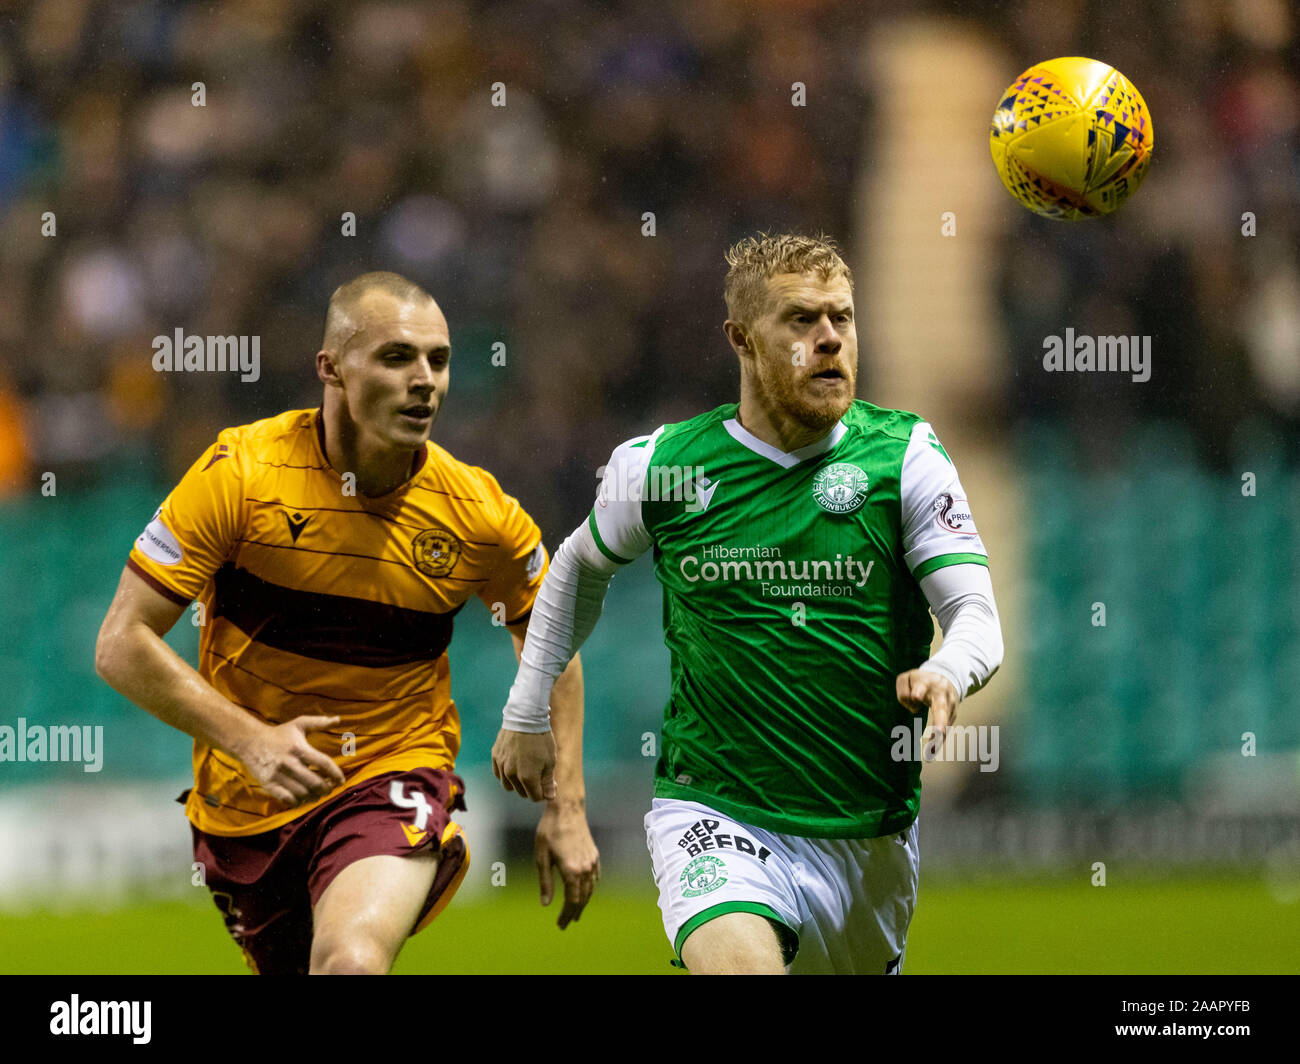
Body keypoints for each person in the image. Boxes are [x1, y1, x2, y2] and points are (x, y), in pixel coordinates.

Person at [491, 234, 1002, 974]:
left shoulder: (905, 456)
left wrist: (950, 668)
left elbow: (977, 618)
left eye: (843, 318)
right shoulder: (665, 467)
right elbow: (575, 568)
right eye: (801, 320)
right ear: (741, 339)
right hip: (714, 813)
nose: (829, 339)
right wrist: (527, 708)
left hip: (868, 837)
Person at [95, 271, 599, 975]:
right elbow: (120, 643)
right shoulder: (240, 474)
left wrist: (565, 802)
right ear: (330, 368)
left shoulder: (479, 515)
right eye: (397, 357)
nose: (425, 380)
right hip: (247, 802)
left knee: (351, 962)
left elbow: (554, 644)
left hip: (394, 767)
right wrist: (251, 741)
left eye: (439, 360)